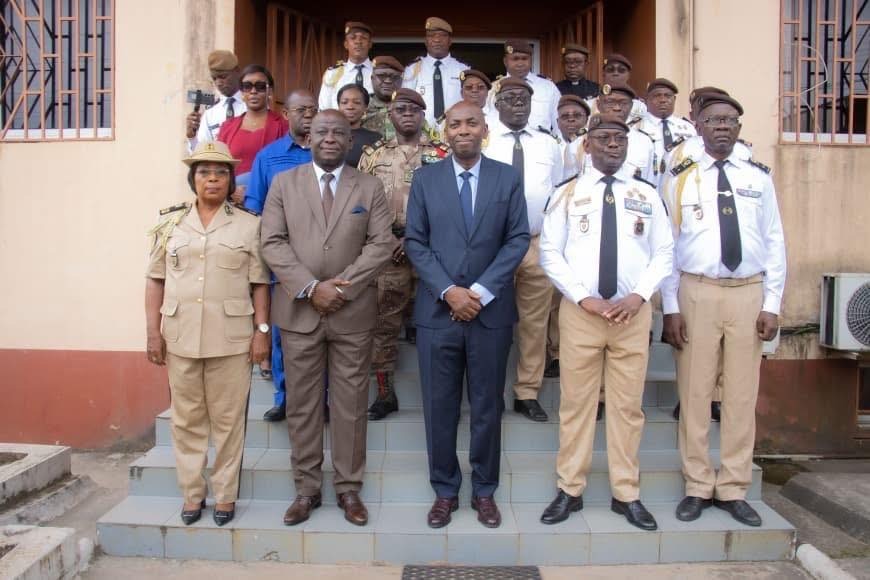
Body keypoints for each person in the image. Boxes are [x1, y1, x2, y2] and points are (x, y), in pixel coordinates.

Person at [538, 114, 674, 531]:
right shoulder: (566, 194)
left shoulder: (646, 194)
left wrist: (638, 296)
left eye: (619, 139)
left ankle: (626, 493)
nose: (613, 145)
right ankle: (570, 490)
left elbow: (664, 252)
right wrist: (584, 298)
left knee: (627, 408)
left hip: (632, 316)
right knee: (577, 405)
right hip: (582, 315)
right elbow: (549, 252)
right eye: (604, 138)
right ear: (588, 145)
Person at [261, 110, 394, 527]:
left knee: (351, 404)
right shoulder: (284, 184)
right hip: (299, 312)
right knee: (301, 404)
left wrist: (341, 287)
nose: (331, 138)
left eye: (339, 132)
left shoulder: (369, 186)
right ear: (308, 137)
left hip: (352, 313)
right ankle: (306, 489)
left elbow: (381, 244)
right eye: (322, 131)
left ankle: (348, 488)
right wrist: (308, 286)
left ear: (350, 139)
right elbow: (272, 240)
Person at [661, 94, 786, 527]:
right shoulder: (679, 178)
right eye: (714, 120)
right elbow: (668, 246)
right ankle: (697, 484)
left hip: (749, 293)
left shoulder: (759, 179)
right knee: (695, 395)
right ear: (698, 125)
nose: (722, 127)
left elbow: (775, 242)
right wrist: (671, 307)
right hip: (697, 291)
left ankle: (733, 487)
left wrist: (773, 303)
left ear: (739, 127)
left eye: (731, 120)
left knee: (740, 397)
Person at [405, 101, 530, 529]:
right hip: (438, 314)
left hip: (489, 314)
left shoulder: (507, 178)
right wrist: (449, 291)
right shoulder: (425, 179)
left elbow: (516, 240)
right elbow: (415, 244)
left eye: (471, 123)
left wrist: (476, 292)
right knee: (439, 408)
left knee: (486, 407)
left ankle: (484, 491)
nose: (463, 130)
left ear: (484, 129)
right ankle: (444, 491)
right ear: (445, 132)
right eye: (455, 124)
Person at [145, 141, 271, 527]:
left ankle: (225, 496)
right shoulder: (170, 223)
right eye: (203, 172)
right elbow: (155, 280)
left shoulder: (250, 225)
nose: (212, 178)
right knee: (186, 420)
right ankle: (192, 494)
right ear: (193, 179)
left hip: (232, 338)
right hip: (180, 335)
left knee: (229, 420)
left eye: (219, 172)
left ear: (231, 179)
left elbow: (260, 284)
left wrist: (261, 332)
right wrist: (153, 332)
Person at [359, 88, 450, 420]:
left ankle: (438, 392)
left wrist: (413, 239)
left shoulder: (442, 155)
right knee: (383, 324)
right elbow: (361, 206)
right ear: (390, 116)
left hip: (431, 252)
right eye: (400, 108)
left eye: (414, 108)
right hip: (388, 251)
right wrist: (386, 241)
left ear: (423, 116)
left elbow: (450, 206)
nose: (408, 113)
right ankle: (385, 393)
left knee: (435, 325)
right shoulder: (373, 156)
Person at [483, 77, 562, 423]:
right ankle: (490, 392)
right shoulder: (484, 140)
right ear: (496, 104)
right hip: (493, 246)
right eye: (510, 98)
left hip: (535, 243)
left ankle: (527, 392)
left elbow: (556, 194)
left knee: (535, 323)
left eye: (525, 99)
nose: (518, 104)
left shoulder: (549, 144)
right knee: (491, 322)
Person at [244, 89, 316, 422]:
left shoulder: (328, 154)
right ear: (286, 114)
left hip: (321, 258)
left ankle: (322, 399)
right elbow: (254, 207)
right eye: (301, 110)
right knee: (282, 332)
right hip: (282, 260)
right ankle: (283, 397)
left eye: (313, 110)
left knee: (321, 332)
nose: (309, 115)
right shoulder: (269, 157)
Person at [218, 64, 288, 206]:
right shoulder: (227, 127)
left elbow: (288, 169)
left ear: (270, 91)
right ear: (242, 92)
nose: (253, 91)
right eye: (247, 86)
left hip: (271, 203)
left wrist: (255, 192)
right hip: (233, 204)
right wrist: (231, 190)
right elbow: (218, 166)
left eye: (260, 86)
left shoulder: (283, 126)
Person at [403, 17, 469, 128]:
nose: (437, 40)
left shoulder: (463, 70)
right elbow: (406, 102)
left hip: (456, 130)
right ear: (425, 41)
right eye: (431, 35)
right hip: (422, 132)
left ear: (450, 41)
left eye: (442, 35)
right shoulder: (412, 70)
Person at [486, 40, 560, 133]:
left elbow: (559, 123)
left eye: (524, 59)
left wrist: (558, 146)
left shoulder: (547, 87)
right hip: (503, 143)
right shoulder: (492, 89)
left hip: (541, 144)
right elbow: (486, 121)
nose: (520, 63)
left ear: (531, 60)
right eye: (515, 59)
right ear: (505, 61)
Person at [635, 78, 696, 188]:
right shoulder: (635, 127)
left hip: (680, 189)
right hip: (647, 188)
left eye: (668, 96)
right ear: (647, 99)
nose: (662, 100)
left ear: (674, 99)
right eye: (657, 96)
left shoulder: (688, 128)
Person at [186, 50, 246, 153]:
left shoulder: (252, 105)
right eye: (214, 78)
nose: (218, 83)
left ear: (237, 71)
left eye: (223, 76)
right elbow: (201, 153)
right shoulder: (211, 113)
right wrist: (191, 136)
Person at [596, 83, 655, 183]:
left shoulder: (644, 142)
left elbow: (649, 182)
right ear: (598, 104)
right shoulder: (583, 141)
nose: (617, 108)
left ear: (631, 106)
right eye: (610, 102)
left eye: (623, 103)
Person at [318, 22, 374, 111]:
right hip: (340, 123)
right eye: (353, 38)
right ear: (346, 44)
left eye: (363, 38)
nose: (358, 42)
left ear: (370, 44)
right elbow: (324, 108)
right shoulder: (333, 73)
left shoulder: (379, 72)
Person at [586, 54, 647, 124]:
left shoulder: (639, 106)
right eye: (610, 70)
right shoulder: (588, 105)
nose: (615, 73)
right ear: (603, 74)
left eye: (621, 70)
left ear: (628, 75)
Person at [337, 83, 381, 167]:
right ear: (338, 106)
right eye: (344, 102)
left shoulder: (375, 139)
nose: (350, 106)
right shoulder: (328, 135)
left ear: (365, 107)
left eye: (356, 103)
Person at [362, 56, 404, 140]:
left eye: (394, 77)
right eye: (381, 76)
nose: (388, 81)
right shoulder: (361, 106)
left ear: (401, 81)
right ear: (372, 78)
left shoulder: (410, 108)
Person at [557, 94, 591, 181]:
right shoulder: (550, 144)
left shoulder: (592, 144)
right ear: (557, 122)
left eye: (577, 116)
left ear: (587, 120)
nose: (571, 119)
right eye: (565, 116)